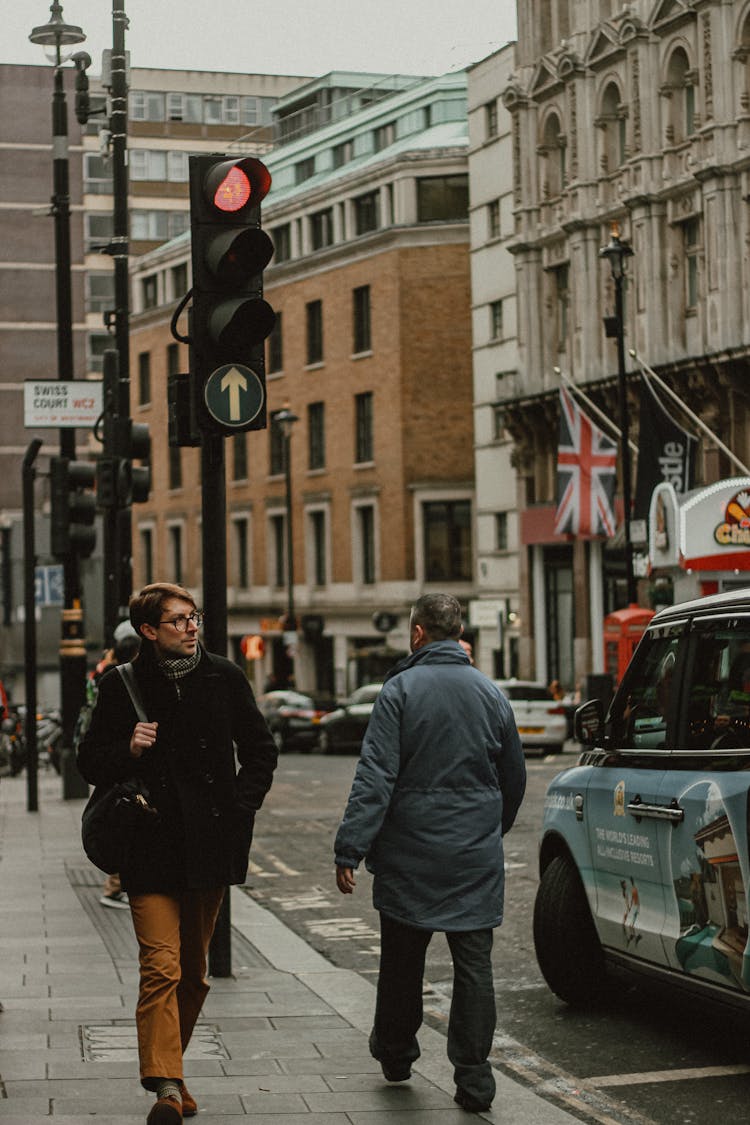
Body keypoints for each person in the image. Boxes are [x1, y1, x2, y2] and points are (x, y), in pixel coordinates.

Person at [77, 582, 277, 1125]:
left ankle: (174, 1073)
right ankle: (165, 1085)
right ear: (149, 630)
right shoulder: (122, 684)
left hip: (209, 845)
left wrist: (241, 808)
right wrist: (128, 748)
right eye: (179, 621)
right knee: (160, 967)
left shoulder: (224, 676)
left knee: (193, 973)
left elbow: (260, 750)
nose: (192, 628)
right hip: (149, 846)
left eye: (194, 618)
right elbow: (90, 763)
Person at [334, 593, 526, 1114]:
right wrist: (488, 830)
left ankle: (396, 1055)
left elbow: (375, 778)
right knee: (474, 966)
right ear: (459, 632)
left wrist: (351, 847)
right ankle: (475, 1078)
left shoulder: (399, 691)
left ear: (417, 633)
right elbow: (514, 779)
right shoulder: (491, 693)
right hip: (473, 856)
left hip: (408, 856)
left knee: (402, 961)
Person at [97, 625, 143, 910]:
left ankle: (118, 885)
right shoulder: (115, 683)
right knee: (125, 825)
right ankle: (115, 887)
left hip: (121, 771)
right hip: (124, 773)